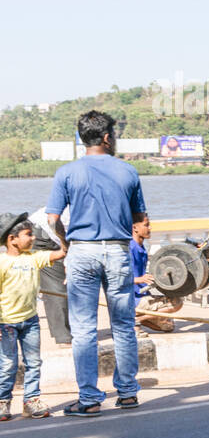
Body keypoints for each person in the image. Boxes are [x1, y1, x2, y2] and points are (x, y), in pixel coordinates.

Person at [47, 110, 148, 416]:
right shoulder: (128, 171)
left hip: (82, 252)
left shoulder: (67, 172)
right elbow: (139, 218)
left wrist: (66, 244)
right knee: (123, 326)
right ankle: (128, 392)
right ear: (107, 137)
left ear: (82, 138)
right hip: (117, 252)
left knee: (84, 330)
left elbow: (52, 218)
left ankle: (89, 398)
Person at [0, 214, 67, 422]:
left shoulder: (33, 258)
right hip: (7, 324)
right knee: (8, 364)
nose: (32, 239)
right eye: (28, 235)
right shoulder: (2, 262)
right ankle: (3, 401)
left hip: (30, 321)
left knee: (34, 362)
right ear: (12, 239)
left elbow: (61, 253)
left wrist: (61, 235)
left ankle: (31, 400)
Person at [28, 204, 71, 345]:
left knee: (58, 285)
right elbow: (52, 221)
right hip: (43, 234)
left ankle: (67, 333)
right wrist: (66, 249)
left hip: (41, 230)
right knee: (56, 286)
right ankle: (64, 337)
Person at [129, 215, 180, 332]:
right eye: (146, 225)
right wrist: (139, 280)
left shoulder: (142, 248)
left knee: (169, 326)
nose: (150, 228)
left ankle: (140, 319)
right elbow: (117, 278)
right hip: (132, 300)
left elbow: (145, 276)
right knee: (177, 302)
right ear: (135, 228)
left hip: (143, 295)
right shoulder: (130, 247)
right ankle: (133, 320)